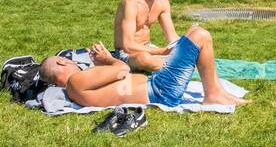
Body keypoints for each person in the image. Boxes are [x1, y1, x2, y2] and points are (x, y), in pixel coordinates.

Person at [40, 27, 247, 109]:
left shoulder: (77, 87)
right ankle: (213, 94)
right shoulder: (75, 81)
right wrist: (106, 58)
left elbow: (116, 78)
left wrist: (103, 65)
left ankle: (216, 92)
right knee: (200, 35)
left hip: (157, 89)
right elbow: (122, 70)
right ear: (61, 63)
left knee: (194, 32)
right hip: (160, 90)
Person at [112, 0, 178, 71]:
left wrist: (181, 47)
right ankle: (169, 67)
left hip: (149, 47)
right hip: (128, 53)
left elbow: (172, 37)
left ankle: (167, 65)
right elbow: (127, 45)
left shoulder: (162, 1)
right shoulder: (131, 2)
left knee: (191, 48)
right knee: (144, 59)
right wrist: (162, 51)